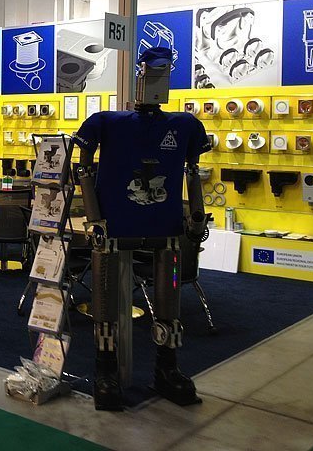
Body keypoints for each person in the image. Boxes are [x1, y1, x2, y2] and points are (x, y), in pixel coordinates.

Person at [73, 46, 210, 410]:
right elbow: (83, 168)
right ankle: (105, 369)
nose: (157, 79)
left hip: (166, 226)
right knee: (105, 298)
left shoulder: (184, 126)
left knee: (169, 297)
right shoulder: (106, 123)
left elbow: (193, 170)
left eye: (164, 73)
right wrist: (94, 218)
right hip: (114, 224)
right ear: (140, 76)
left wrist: (197, 215)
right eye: (153, 72)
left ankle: (167, 367)